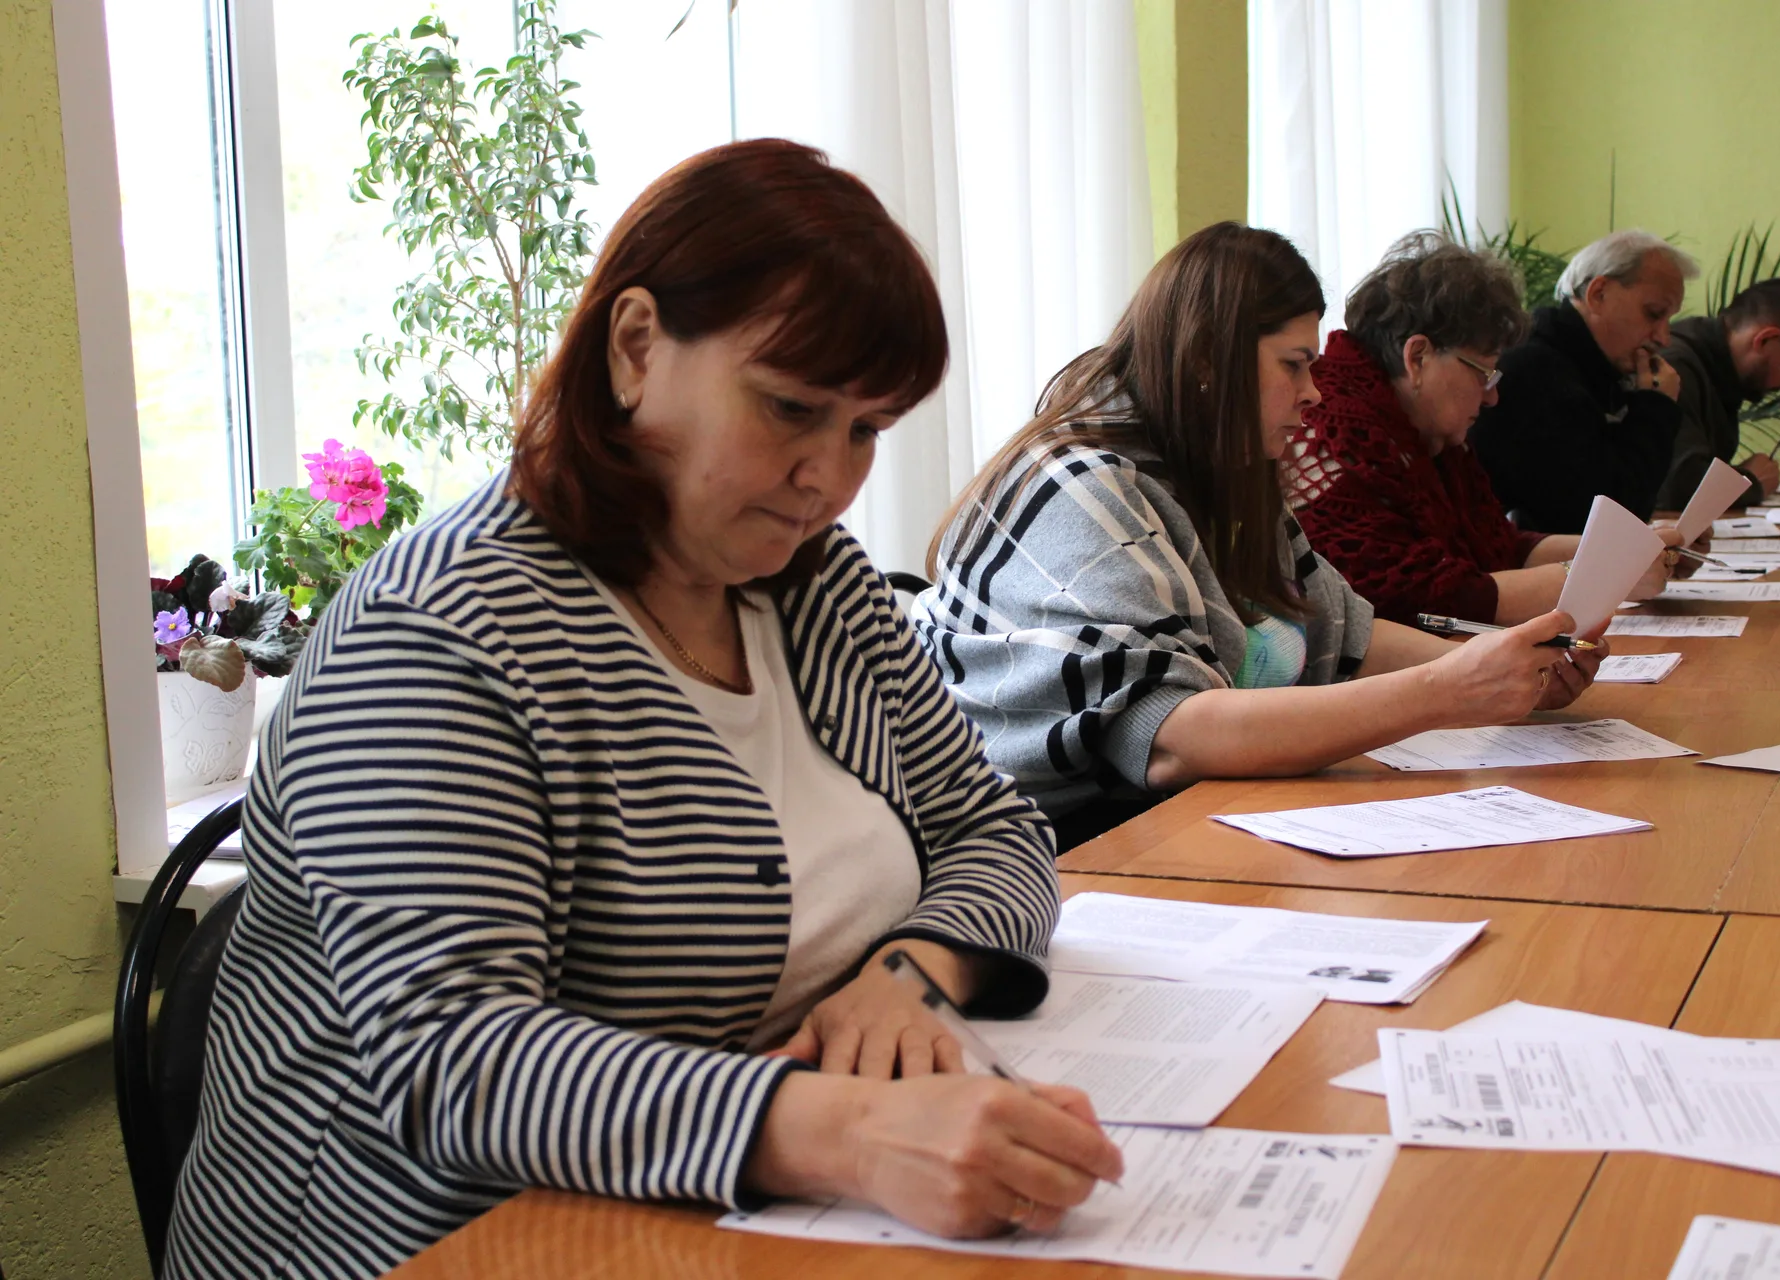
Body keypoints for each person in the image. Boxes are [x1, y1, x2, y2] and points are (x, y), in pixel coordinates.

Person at [164, 140, 1123, 1280]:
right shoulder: (436, 631)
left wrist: (912, 968)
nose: (828, 477)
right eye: (790, 408)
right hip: (434, 1242)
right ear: (634, 347)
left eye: (865, 429)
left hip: (718, 1219)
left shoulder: (820, 586)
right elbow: (455, 1057)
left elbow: (995, 829)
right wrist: (850, 1131)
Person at [914, 223, 1604, 848]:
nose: (1314, 392)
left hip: (1192, 823)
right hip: (1067, 851)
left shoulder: (1229, 467)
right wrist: (1446, 690)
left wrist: (1505, 673)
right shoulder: (1082, 490)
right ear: (1207, 362)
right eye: (1293, 364)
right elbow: (1172, 738)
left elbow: (1345, 637)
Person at [1293, 232, 1678, 627]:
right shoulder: (1332, 435)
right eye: (1485, 373)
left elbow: (1501, 548)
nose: (1493, 397)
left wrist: (1624, 548)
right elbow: (1418, 600)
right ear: (1418, 357)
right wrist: (1605, 574)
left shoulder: (1425, 432)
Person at [1468, 229, 1699, 532]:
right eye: (1653, 313)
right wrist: (1655, 408)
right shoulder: (1538, 373)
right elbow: (1602, 522)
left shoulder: (1581, 365)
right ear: (1598, 294)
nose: (1664, 338)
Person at [1656, 277, 1780, 510]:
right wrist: (1750, 482)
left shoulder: (1718, 371)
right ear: (1766, 340)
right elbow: (1680, 487)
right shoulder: (1675, 367)